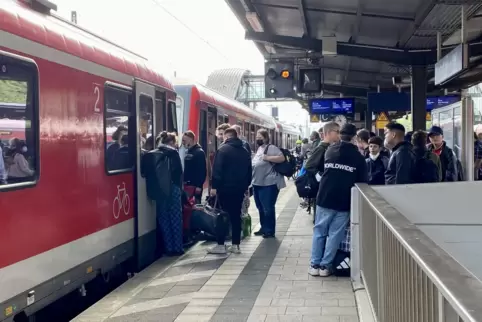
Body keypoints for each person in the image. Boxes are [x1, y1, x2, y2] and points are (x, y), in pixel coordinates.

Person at [309, 123, 367, 277]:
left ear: (340, 135)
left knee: (319, 231)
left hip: (325, 197)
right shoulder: (358, 157)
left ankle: (314, 264)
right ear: (354, 137)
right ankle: (325, 266)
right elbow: (363, 182)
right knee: (335, 234)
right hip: (344, 200)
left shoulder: (330, 150)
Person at [208, 127, 252, 254]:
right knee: (236, 216)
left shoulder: (222, 150)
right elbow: (249, 172)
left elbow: (217, 171)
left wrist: (215, 187)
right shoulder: (244, 151)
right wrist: (245, 187)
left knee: (221, 216)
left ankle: (221, 245)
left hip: (224, 189)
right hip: (239, 189)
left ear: (226, 137)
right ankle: (235, 245)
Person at [142, 131, 184, 256]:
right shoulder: (173, 154)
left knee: (163, 218)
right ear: (171, 142)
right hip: (173, 189)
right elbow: (178, 173)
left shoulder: (151, 154)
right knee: (175, 218)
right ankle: (178, 248)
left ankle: (168, 248)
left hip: (159, 190)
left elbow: (144, 172)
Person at [252, 128, 286, 238]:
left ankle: (270, 230)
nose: (258, 139)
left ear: (266, 138)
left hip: (269, 184)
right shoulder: (259, 149)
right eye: (257, 137)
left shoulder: (271, 148)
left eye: (260, 137)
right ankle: (264, 227)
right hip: (257, 183)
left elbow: (282, 158)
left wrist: (268, 158)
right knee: (260, 207)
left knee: (268, 207)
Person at [182, 131, 207, 204]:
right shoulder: (189, 151)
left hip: (194, 185)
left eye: (184, 140)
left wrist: (199, 185)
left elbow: (202, 171)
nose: (183, 143)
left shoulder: (199, 152)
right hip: (188, 184)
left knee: (195, 205)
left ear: (190, 139)